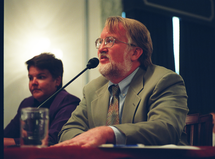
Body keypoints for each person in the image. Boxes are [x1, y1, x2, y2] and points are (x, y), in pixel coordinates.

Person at [54, 16, 189, 148]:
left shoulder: (164, 81)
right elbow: (68, 130)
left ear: (135, 53)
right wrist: (88, 142)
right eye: (100, 41)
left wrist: (109, 133)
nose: (101, 48)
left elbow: (165, 129)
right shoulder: (92, 89)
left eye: (110, 41)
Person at [4, 53, 81, 146]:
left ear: (57, 81)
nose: (33, 83)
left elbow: (51, 140)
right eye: (30, 78)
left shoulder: (69, 103)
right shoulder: (27, 103)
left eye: (41, 77)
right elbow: (7, 134)